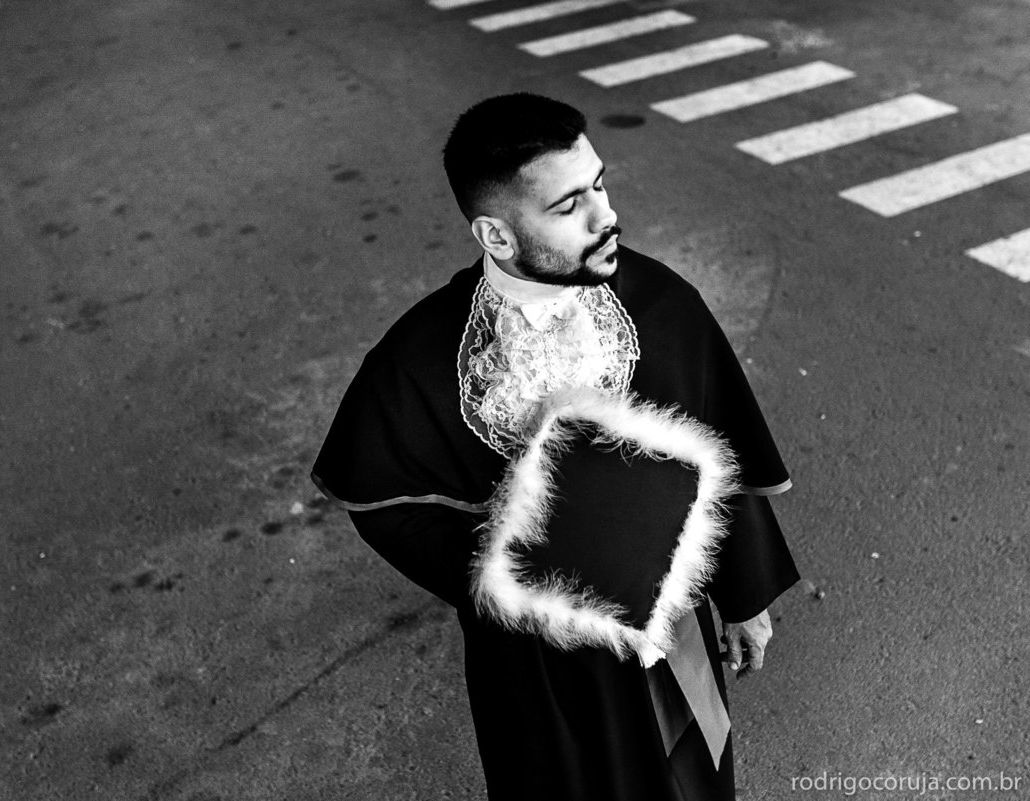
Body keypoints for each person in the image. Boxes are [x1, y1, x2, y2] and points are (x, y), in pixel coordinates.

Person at [312, 92, 799, 801]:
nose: (607, 217)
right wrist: (513, 574)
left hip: (673, 627)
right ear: (497, 235)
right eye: (569, 206)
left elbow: (722, 448)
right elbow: (383, 502)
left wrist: (745, 595)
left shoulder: (660, 303)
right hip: (537, 666)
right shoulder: (420, 356)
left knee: (691, 785)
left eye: (599, 184)